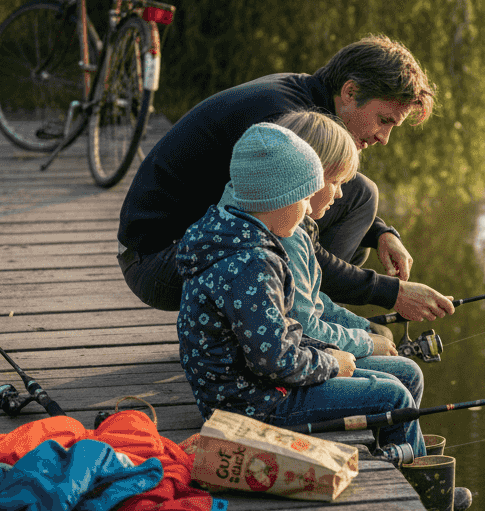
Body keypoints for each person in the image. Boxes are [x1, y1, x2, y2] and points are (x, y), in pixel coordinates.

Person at [119, 34, 455, 324]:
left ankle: (304, 316)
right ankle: (302, 326)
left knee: (359, 196)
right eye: (384, 120)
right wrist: (392, 293)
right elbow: (299, 246)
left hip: (191, 244)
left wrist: (381, 234)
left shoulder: (305, 96)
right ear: (351, 92)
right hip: (156, 260)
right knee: (313, 233)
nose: (384, 138)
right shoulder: (286, 122)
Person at [176, 121, 425, 454]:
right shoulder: (252, 264)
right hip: (253, 405)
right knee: (392, 396)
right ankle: (414, 475)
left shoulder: (237, 237)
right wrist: (332, 363)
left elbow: (276, 334)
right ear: (280, 199)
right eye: (305, 197)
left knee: (401, 379)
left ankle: (400, 461)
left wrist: (330, 352)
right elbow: (276, 360)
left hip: (252, 389)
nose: (309, 208)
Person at [232, 110, 425, 408]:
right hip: (266, 390)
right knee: (398, 389)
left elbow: (311, 301)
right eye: (335, 181)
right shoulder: (284, 237)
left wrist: (361, 328)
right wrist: (356, 347)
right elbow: (300, 328)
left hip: (279, 368)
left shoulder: (269, 223)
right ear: (304, 178)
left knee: (403, 373)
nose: (340, 194)